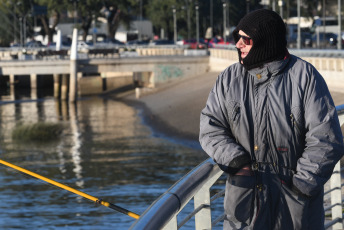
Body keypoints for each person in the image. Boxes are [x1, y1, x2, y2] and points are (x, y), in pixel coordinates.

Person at [199, 9, 344, 230]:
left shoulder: (305, 76)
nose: (238, 45)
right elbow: (210, 127)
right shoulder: (229, 79)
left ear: (265, 42)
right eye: (236, 38)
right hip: (244, 205)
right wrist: (238, 164)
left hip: (296, 211)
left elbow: (326, 139)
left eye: (245, 39)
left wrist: (301, 187)